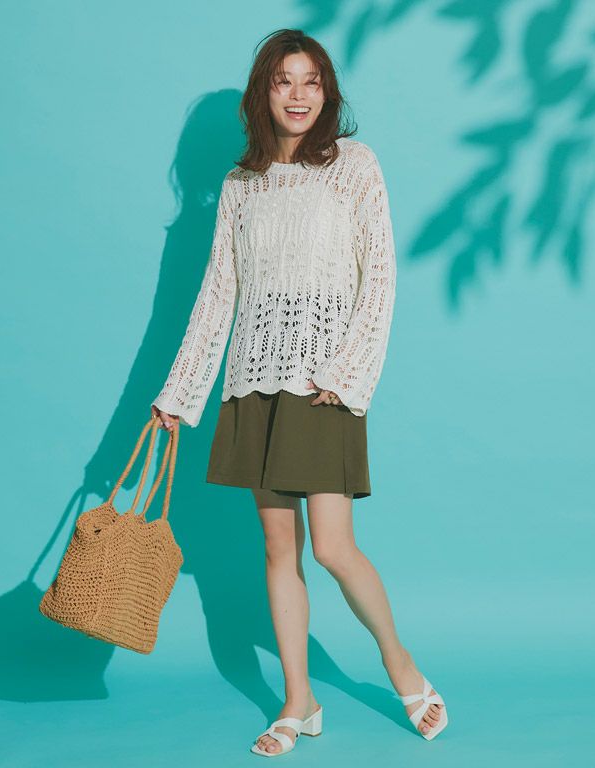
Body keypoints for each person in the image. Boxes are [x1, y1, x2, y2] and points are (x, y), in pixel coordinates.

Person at [151, 28, 448, 757]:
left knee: (335, 548)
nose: (298, 95)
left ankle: (402, 667)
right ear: (265, 91)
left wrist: (346, 376)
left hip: (323, 386)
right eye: (284, 80)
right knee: (277, 547)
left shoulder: (353, 165)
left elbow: (380, 277)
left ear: (327, 92)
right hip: (253, 382)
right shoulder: (240, 184)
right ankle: (299, 702)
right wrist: (178, 394)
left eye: (311, 81)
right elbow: (217, 294)